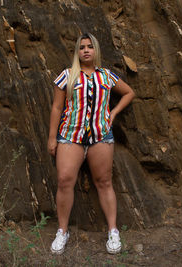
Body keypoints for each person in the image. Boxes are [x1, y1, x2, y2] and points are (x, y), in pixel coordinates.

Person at [47, 32, 135, 255]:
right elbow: (57, 108)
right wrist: (51, 138)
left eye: (90, 47)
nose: (86, 50)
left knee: (104, 181)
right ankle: (62, 231)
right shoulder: (67, 75)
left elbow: (128, 92)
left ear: (96, 50)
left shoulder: (106, 76)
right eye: (82, 47)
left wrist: (113, 112)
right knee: (65, 180)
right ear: (77, 52)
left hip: (101, 136)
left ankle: (113, 231)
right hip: (70, 136)